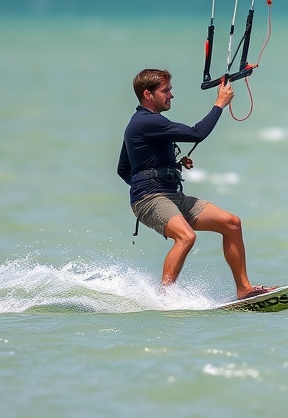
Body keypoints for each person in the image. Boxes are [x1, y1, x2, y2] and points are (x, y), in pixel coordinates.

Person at [117, 68, 273, 300]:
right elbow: (197, 133)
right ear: (148, 94)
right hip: (150, 198)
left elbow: (125, 168)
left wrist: (169, 168)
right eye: (166, 91)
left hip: (171, 195)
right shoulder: (145, 122)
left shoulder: (147, 124)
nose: (171, 95)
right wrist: (219, 103)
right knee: (186, 237)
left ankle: (243, 289)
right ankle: (164, 298)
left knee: (231, 223)